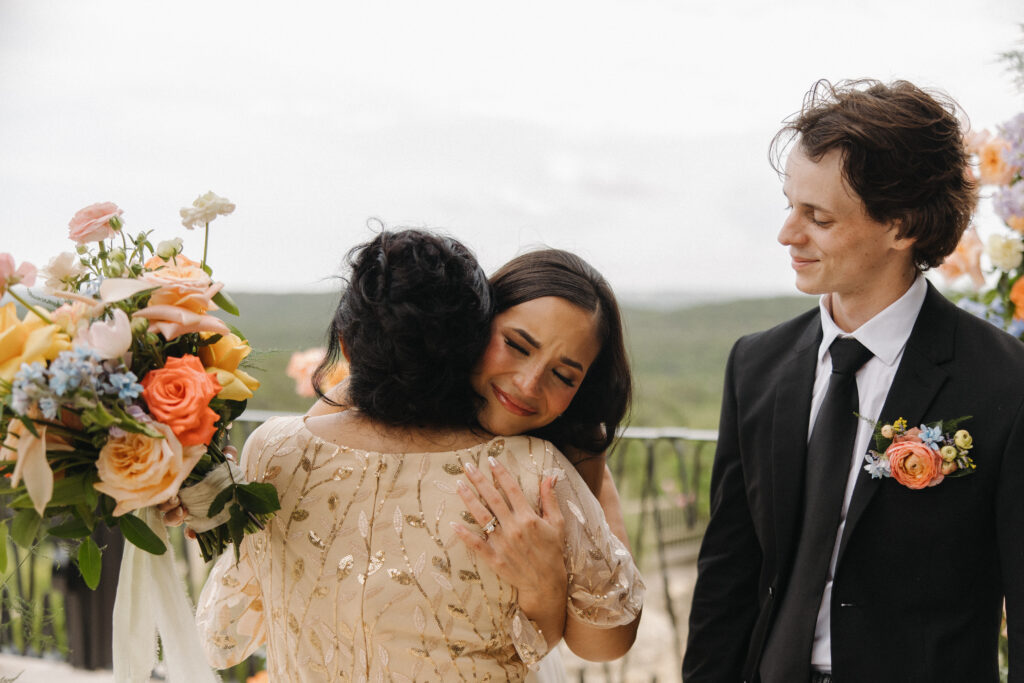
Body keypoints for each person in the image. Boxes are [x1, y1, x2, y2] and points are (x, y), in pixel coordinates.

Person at [683, 79, 1024, 683]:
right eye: (790, 205)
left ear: (902, 226)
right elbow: (728, 576)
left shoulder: (1006, 385)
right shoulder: (755, 366)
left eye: (818, 217)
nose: (788, 234)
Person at [195, 230, 644, 681]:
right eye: (517, 345)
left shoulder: (555, 461)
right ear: (474, 331)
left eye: (565, 375)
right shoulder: (537, 465)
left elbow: (224, 634)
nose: (528, 383)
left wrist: (548, 584)